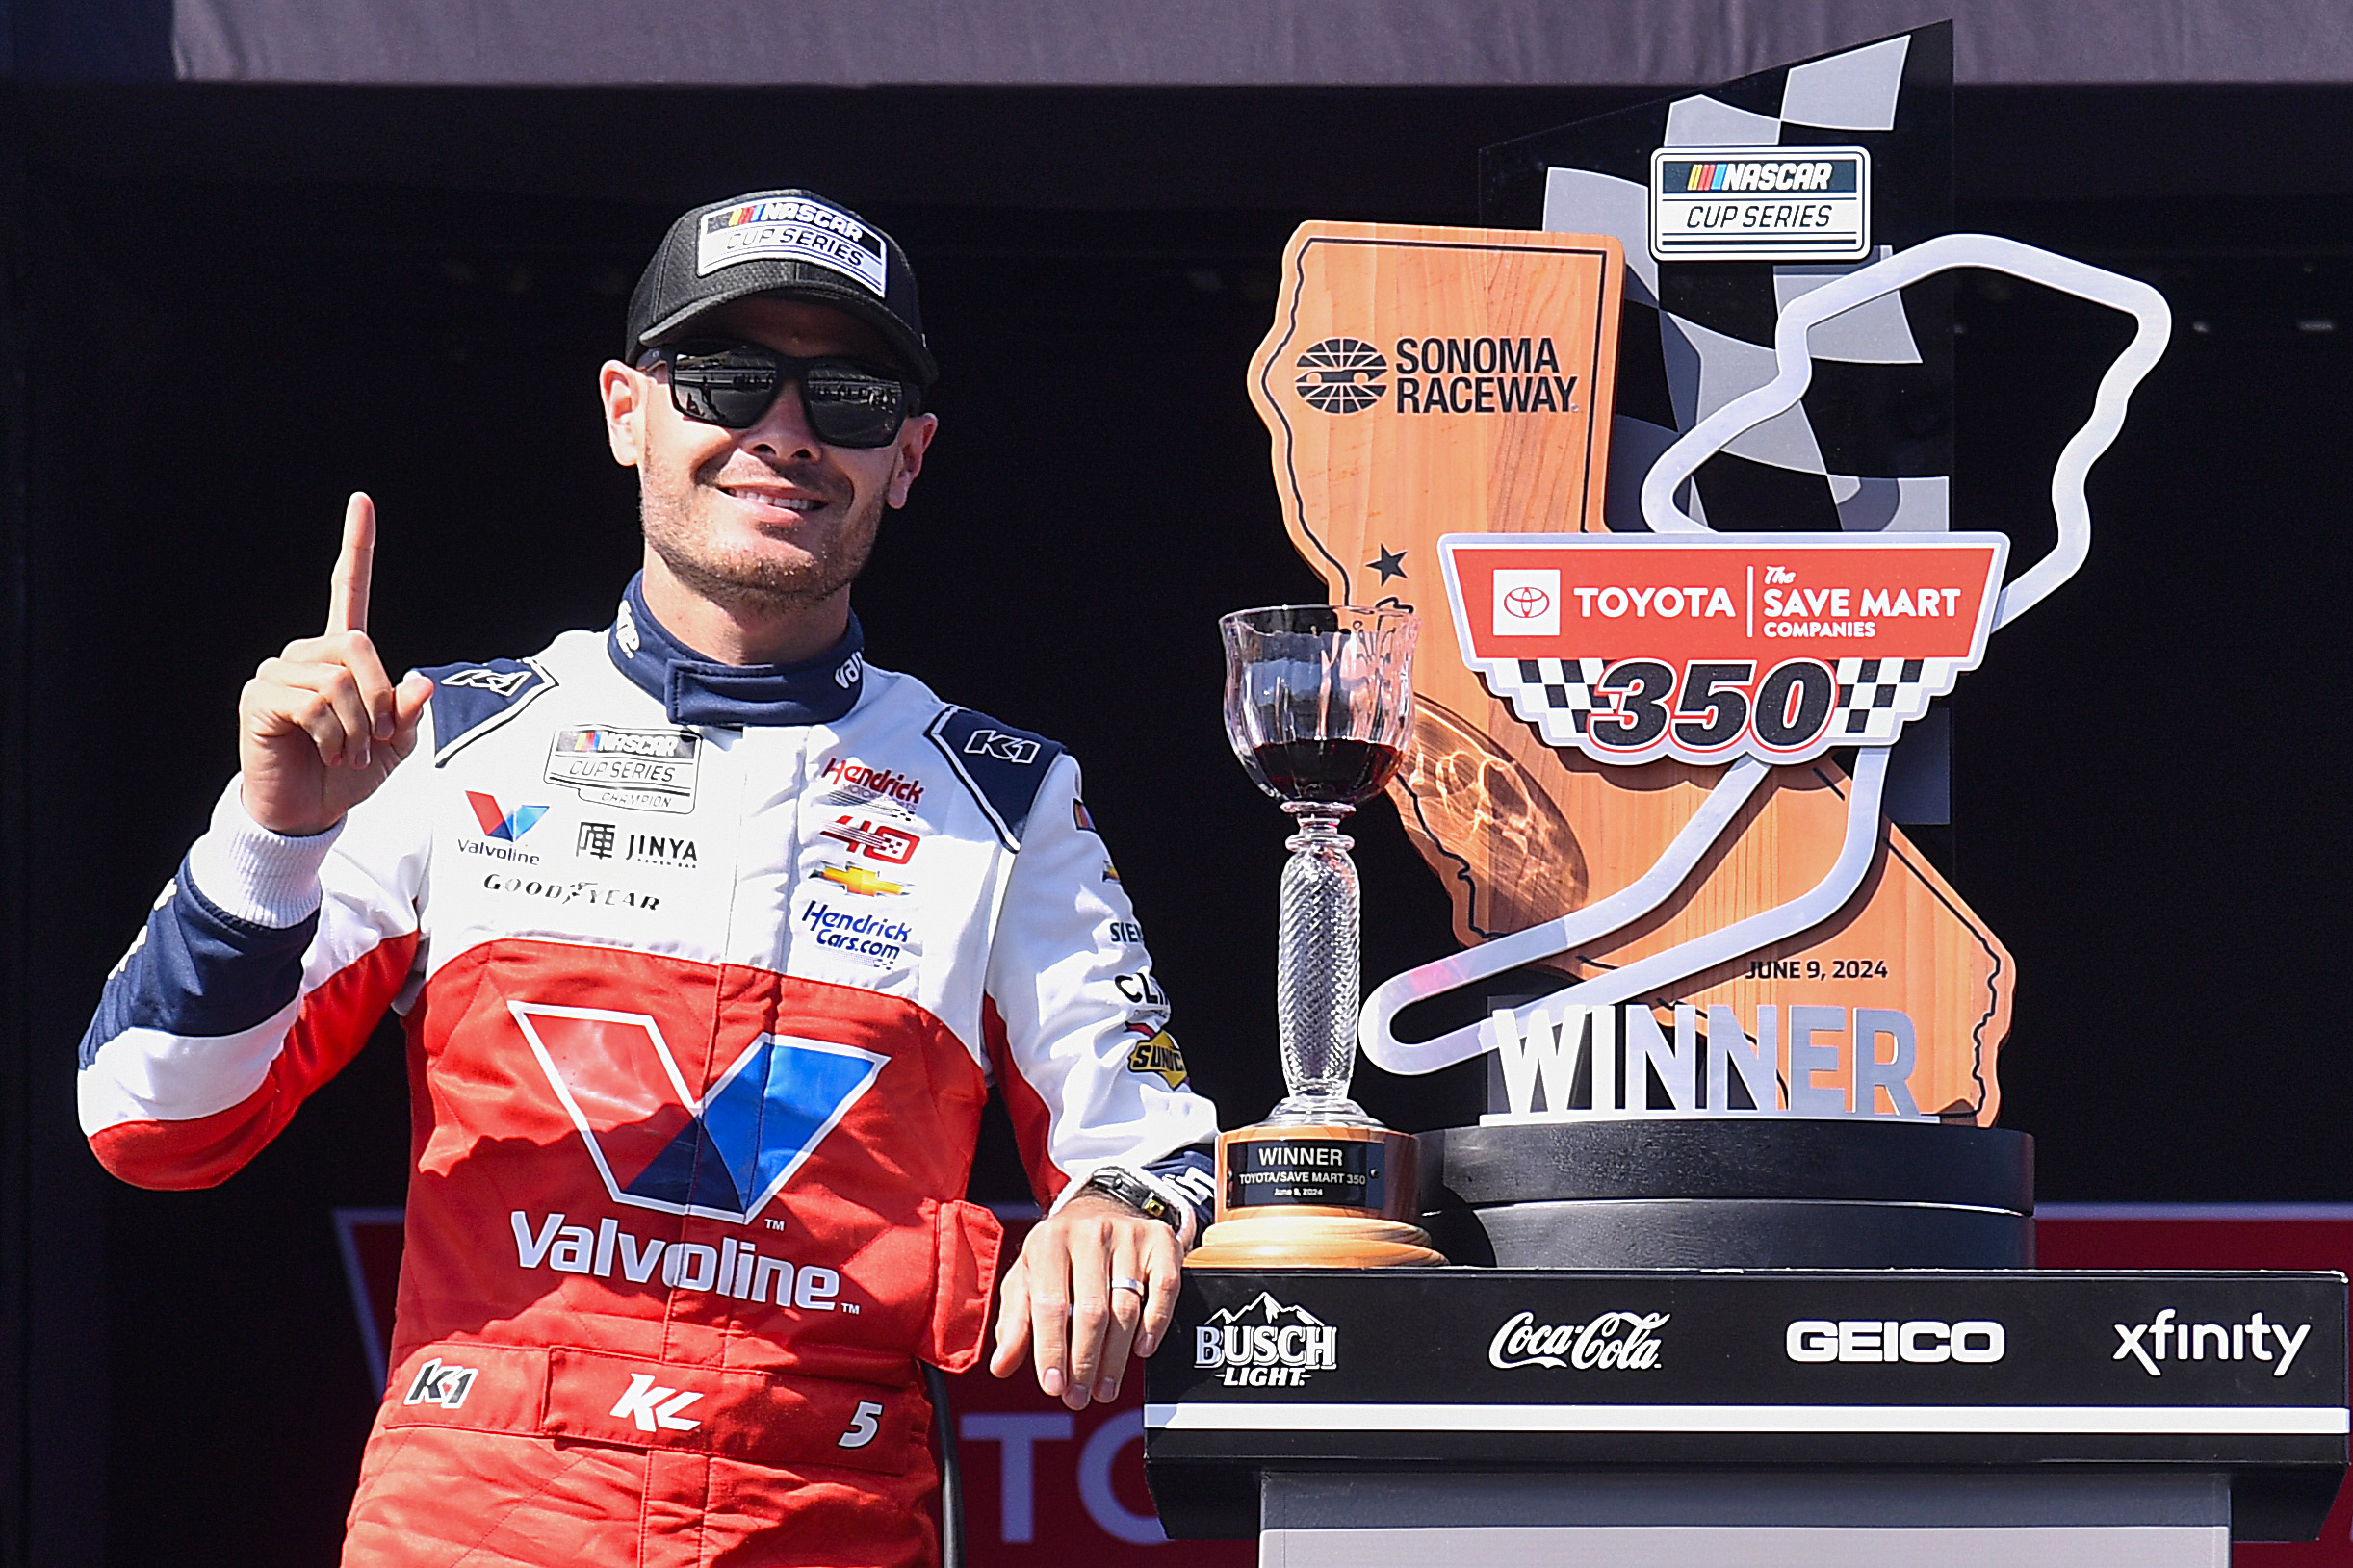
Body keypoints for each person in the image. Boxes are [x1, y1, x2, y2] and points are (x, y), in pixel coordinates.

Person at [74, 189, 1219, 1568]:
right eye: (729, 377)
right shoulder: (440, 741)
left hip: (823, 1521)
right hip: (482, 1523)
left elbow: (1144, 1153)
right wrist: (273, 838)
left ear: (907, 455)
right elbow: (148, 1119)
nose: (784, 431)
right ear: (627, 410)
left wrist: (1123, 1209)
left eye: (846, 395)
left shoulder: (1008, 798)